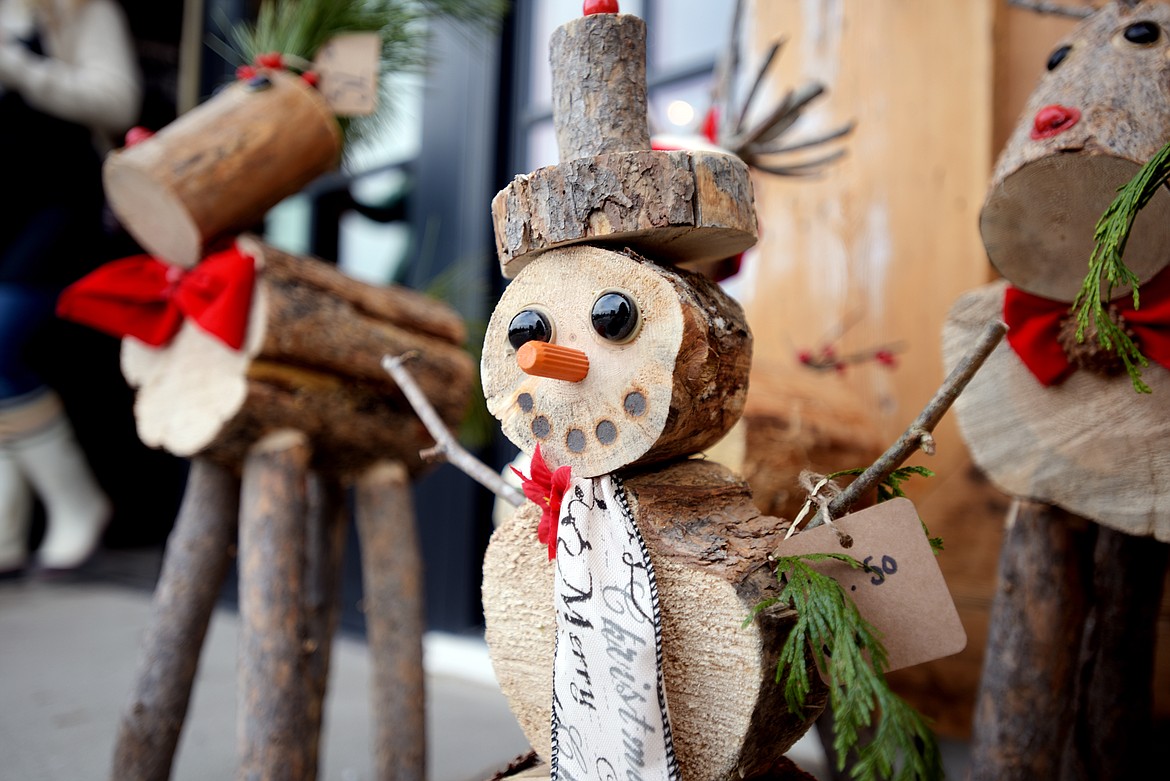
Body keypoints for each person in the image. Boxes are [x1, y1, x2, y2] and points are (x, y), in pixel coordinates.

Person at [0, 0, 142, 574]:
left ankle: (77, 502)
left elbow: (117, 100)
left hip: (59, 204)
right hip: (3, 213)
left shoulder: (80, 9)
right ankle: (6, 531)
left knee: (2, 343)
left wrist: (21, 70)